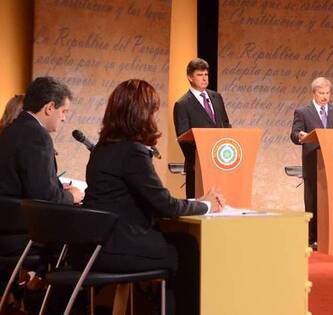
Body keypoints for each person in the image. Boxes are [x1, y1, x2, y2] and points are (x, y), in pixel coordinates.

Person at [82, 79, 224, 314]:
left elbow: (151, 200)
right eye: (153, 112)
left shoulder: (102, 149)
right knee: (185, 247)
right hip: (118, 247)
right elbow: (165, 205)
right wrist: (206, 205)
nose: (154, 118)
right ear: (141, 114)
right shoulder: (133, 152)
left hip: (96, 245)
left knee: (178, 242)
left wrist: (198, 202)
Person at [0, 77, 83, 204]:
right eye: (63, 111)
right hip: (19, 221)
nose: (64, 118)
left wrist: (58, 188)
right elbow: (44, 197)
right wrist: (72, 196)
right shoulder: (37, 135)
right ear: (50, 107)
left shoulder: (11, 129)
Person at [290, 77, 333, 248]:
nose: (325, 97)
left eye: (327, 93)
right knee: (313, 201)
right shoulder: (302, 111)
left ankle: (332, 236)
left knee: (332, 201)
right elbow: (294, 134)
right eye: (321, 93)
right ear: (314, 93)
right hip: (313, 162)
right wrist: (300, 135)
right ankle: (313, 238)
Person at [173, 58, 232, 198]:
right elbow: (183, 138)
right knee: (200, 203)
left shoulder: (216, 97)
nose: (204, 78)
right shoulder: (182, 104)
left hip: (221, 162)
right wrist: (196, 162)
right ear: (190, 77)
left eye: (206, 74)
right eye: (200, 75)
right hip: (198, 166)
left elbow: (225, 124)